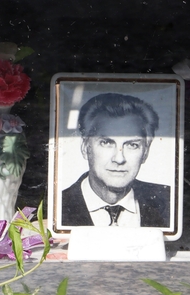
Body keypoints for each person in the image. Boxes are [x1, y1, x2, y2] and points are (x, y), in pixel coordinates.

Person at [61, 93, 171, 228]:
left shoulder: (170, 201)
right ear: (85, 147)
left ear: (145, 152)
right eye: (106, 142)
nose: (119, 159)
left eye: (132, 145)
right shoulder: (57, 205)